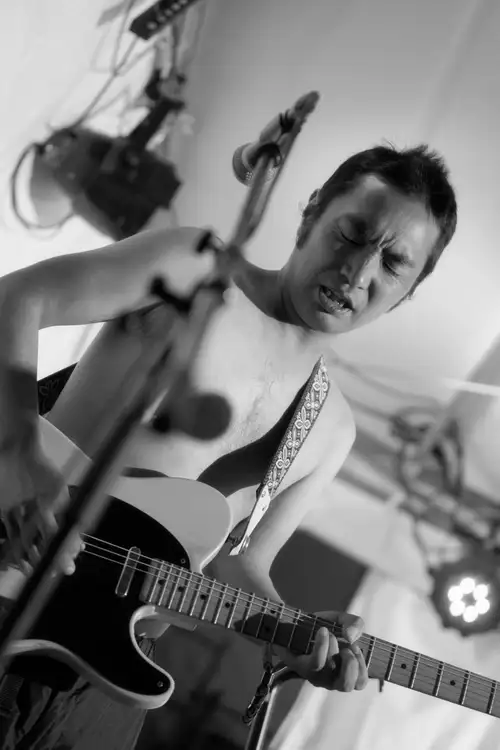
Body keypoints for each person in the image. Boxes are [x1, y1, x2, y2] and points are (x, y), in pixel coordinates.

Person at [0, 143, 457, 749]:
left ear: (409, 291)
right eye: (351, 234)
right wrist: (21, 455)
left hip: (109, 680)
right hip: (15, 580)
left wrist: (292, 633)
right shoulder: (198, 267)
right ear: (311, 213)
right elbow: (16, 299)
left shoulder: (330, 430)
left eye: (393, 263)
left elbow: (238, 561)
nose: (357, 271)